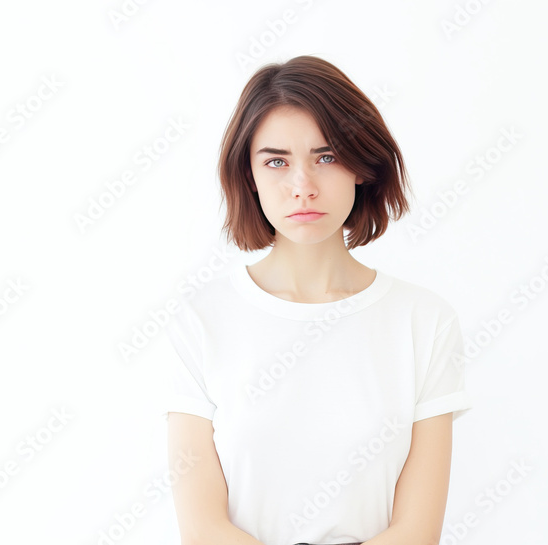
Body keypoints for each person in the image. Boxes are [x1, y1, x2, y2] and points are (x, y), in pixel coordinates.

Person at [161, 55, 472, 545]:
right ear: (249, 175)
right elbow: (203, 530)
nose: (302, 187)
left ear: (361, 166)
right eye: (276, 161)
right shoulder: (201, 321)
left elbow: (416, 532)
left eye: (326, 157)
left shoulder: (424, 321)